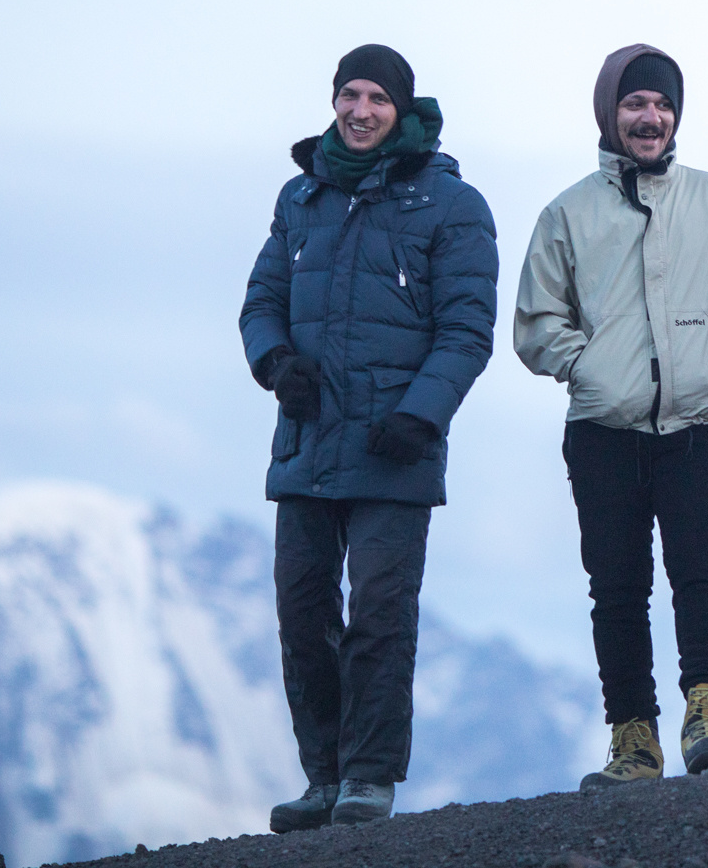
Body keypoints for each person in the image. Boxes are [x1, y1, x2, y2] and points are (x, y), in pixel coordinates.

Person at [238, 44, 499, 831]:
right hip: (309, 445)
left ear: (402, 108)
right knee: (302, 612)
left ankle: (369, 779)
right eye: (348, 95)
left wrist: (421, 413)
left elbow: (466, 330)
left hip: (396, 446)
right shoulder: (301, 197)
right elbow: (260, 301)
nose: (360, 111)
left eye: (376, 98)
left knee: (381, 616)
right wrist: (275, 360)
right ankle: (322, 778)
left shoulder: (451, 204)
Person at [514, 44, 708, 788]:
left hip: (701, 423)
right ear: (610, 113)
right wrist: (591, 366)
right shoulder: (566, 212)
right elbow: (537, 321)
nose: (651, 117)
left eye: (662, 105)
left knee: (704, 577)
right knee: (618, 590)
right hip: (603, 429)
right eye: (636, 104)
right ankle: (635, 744)